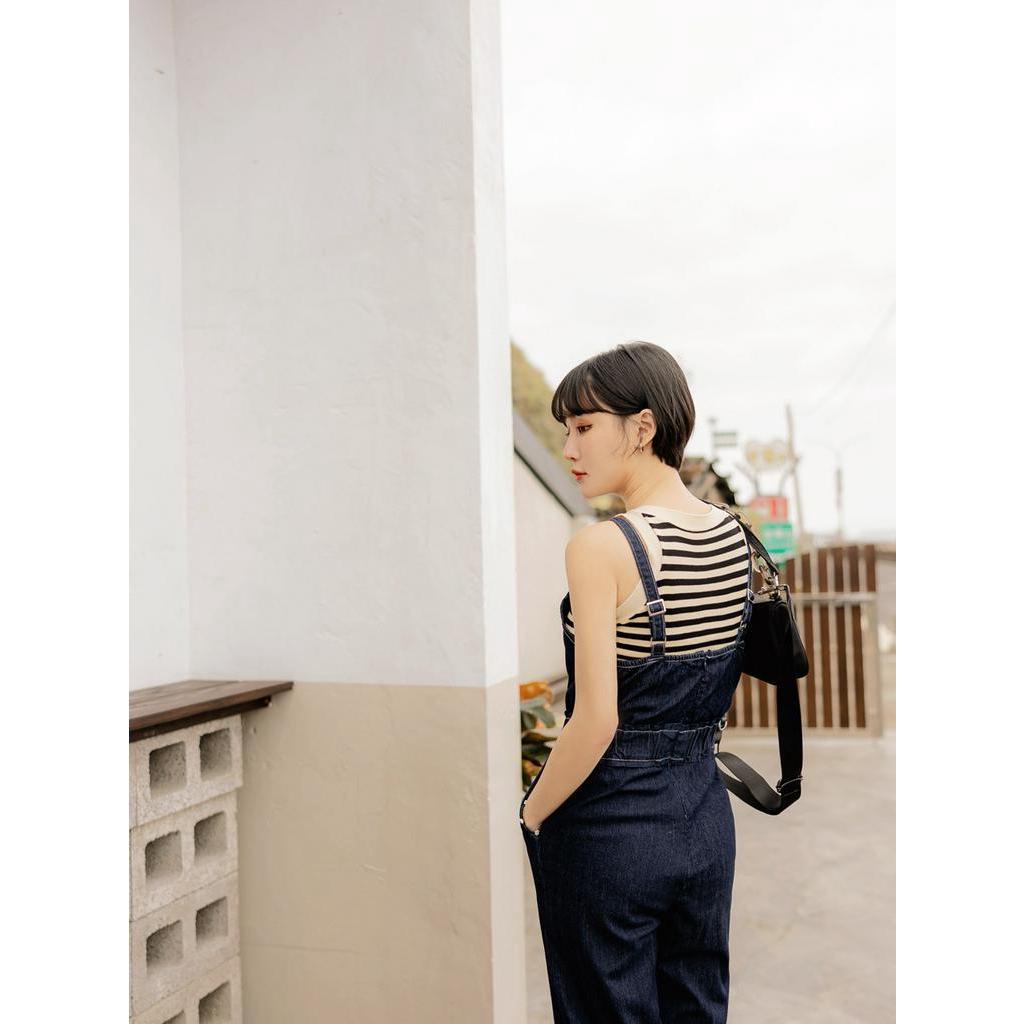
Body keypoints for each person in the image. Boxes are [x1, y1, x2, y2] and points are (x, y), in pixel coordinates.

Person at [518, 340, 754, 1023]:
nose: (569, 448)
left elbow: (596, 720)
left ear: (643, 426)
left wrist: (533, 813)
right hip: (705, 817)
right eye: (566, 430)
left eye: (585, 426)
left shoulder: (602, 546)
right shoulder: (735, 536)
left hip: (611, 826)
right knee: (696, 1008)